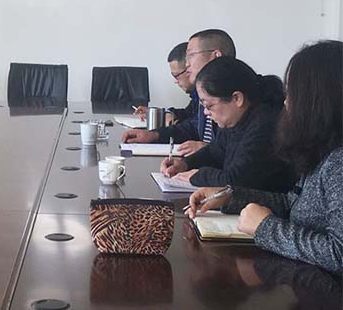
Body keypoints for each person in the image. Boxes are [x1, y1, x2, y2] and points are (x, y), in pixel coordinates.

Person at [187, 40, 343, 274]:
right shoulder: (322, 149)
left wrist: (266, 228)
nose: (286, 102)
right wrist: (229, 196)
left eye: (293, 93)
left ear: (319, 100)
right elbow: (292, 204)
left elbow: (339, 255)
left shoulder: (338, 162)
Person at [160, 57, 295, 191]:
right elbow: (214, 152)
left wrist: (198, 176)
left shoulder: (266, 125)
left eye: (209, 106)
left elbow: (236, 181)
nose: (206, 112)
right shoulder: (235, 120)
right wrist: (185, 164)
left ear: (237, 98)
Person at [123, 29, 236, 156]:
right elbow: (192, 127)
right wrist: (154, 135)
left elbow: (240, 152)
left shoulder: (235, 96)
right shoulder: (207, 91)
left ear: (216, 56)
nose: (187, 64)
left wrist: (210, 149)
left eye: (191, 55)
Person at [134, 42, 196, 123]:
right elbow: (187, 114)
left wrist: (172, 122)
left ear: (189, 69)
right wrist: (159, 113)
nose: (176, 81)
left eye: (176, 75)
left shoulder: (206, 96)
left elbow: (194, 127)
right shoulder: (196, 96)